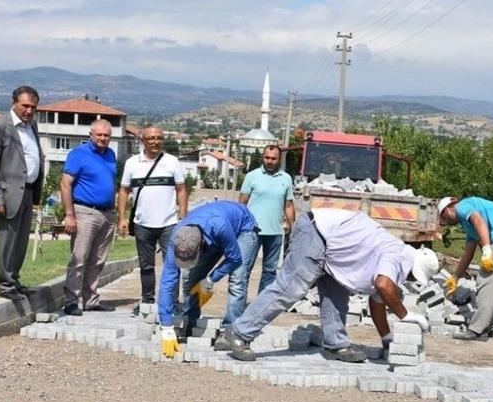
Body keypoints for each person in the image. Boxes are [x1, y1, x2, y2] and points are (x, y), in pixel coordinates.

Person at [222, 209, 440, 363]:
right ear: (414, 268)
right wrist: (405, 315)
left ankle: (336, 344)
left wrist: (386, 339)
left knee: (337, 296)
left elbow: (377, 302)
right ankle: (240, 333)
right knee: (290, 289)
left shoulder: (397, 258)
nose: (411, 281)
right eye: (414, 278)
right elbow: (383, 285)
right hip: (317, 234)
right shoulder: (397, 255)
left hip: (332, 250)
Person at [157, 200, 258, 356]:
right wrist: (166, 326)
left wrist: (211, 279)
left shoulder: (220, 227)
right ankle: (190, 321)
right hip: (213, 230)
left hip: (242, 228)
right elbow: (167, 281)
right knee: (192, 278)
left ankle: (230, 331)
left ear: (202, 245)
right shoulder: (177, 237)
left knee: (237, 280)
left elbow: (234, 258)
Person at [0, 86, 44, 301]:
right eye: (25, 105)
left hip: (27, 191)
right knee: (8, 240)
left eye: (33, 107)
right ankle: (5, 285)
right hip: (6, 195)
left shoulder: (31, 126)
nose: (29, 110)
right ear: (14, 103)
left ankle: (14, 280)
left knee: (21, 241)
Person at [117, 126, 187, 315]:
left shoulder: (172, 162)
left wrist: (184, 217)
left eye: (159, 138)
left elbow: (181, 189)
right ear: (143, 140)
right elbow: (123, 191)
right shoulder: (132, 163)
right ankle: (147, 301)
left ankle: (171, 301)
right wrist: (122, 218)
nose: (155, 142)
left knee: (172, 265)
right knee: (146, 266)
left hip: (169, 223)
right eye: (151, 138)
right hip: (142, 223)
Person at [437, 196, 493, 341]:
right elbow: (469, 252)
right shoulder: (468, 224)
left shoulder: (461, 206)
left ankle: (477, 330)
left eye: (445, 218)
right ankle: (486, 326)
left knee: (485, 282)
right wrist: (456, 276)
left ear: (447, 210)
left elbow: (479, 221)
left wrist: (486, 250)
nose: (447, 223)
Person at [60, 120, 118, 316]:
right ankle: (71, 301)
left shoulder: (111, 155)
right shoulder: (78, 154)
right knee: (79, 258)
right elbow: (66, 184)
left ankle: (91, 300)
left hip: (107, 214)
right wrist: (70, 215)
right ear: (91, 135)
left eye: (106, 135)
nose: (103, 138)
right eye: (99, 135)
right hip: (85, 212)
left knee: (98, 260)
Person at [238, 144, 295, 301]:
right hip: (252, 232)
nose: (269, 161)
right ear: (263, 157)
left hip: (275, 233)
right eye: (267, 157)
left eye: (273, 158)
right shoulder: (252, 176)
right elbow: (242, 203)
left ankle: (260, 308)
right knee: (244, 270)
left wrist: (294, 228)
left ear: (279, 159)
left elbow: (288, 206)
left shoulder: (286, 179)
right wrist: (239, 227)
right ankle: (240, 307)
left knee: (270, 272)